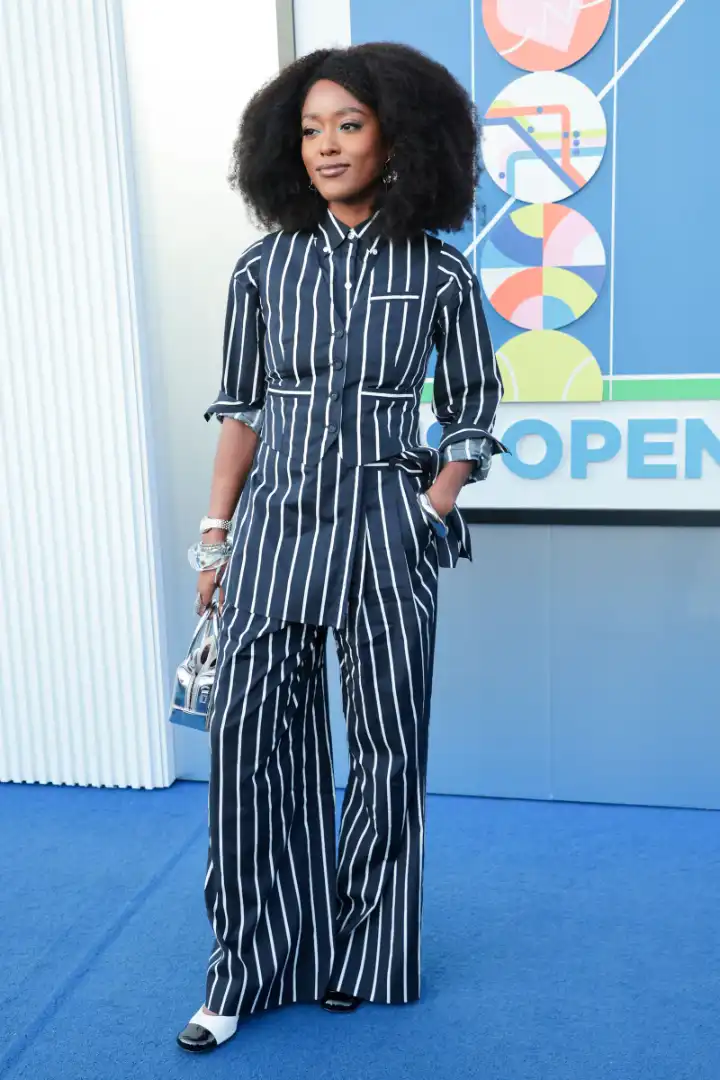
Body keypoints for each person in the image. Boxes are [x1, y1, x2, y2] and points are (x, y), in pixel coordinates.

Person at [176, 42, 504, 1054]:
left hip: (386, 535)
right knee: (248, 752)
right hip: (275, 530)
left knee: (388, 751)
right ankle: (247, 967)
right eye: (310, 129)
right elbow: (241, 411)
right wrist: (215, 538)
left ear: (397, 139)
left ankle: (360, 956)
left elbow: (473, 404)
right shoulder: (261, 269)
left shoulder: (441, 272)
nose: (326, 145)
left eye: (348, 125)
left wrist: (435, 504)